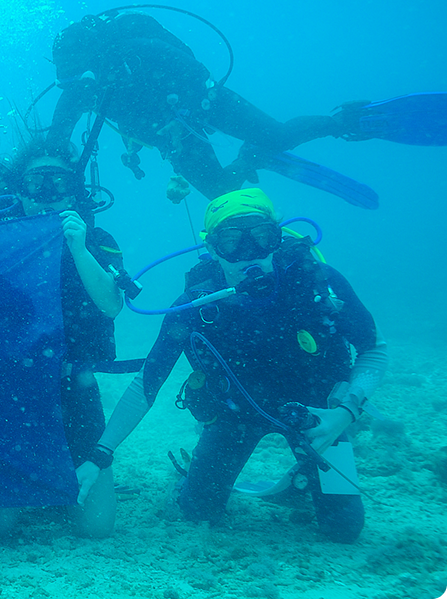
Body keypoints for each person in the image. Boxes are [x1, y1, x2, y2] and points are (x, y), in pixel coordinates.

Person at [75, 188, 386, 543]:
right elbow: (146, 384)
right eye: (232, 242)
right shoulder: (196, 306)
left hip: (317, 420)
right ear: (212, 249)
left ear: (277, 239)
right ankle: (195, 477)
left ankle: (301, 481)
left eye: (261, 238)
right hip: (234, 417)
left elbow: (373, 350)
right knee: (198, 511)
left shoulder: (318, 284)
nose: (248, 254)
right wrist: (101, 455)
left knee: (344, 528)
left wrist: (344, 413)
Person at [46, 12, 346, 201]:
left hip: (206, 103)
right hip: (169, 137)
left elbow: (197, 72)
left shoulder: (137, 51)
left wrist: (184, 114)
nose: (74, 84)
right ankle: (251, 157)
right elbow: (55, 141)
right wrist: (51, 175)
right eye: (66, 77)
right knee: (221, 194)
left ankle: (343, 122)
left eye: (77, 73)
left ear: (95, 55)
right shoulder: (76, 89)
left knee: (280, 137)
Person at [5, 137, 122, 538]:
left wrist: (79, 248)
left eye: (58, 183)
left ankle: (58, 479)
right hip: (13, 393)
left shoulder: (97, 239)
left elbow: (111, 305)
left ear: (74, 189)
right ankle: (36, 479)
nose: (46, 195)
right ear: (20, 191)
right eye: (36, 184)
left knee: (97, 528)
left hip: (76, 389)